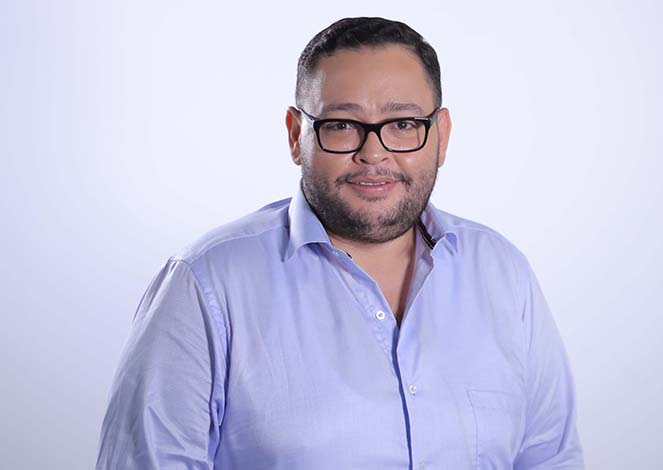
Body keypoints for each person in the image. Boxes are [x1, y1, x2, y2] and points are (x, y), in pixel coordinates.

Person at [96, 17, 584, 469]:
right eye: (342, 125)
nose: (373, 153)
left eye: (403, 125)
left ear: (441, 136)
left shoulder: (502, 273)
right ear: (296, 136)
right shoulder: (205, 286)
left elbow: (551, 459)